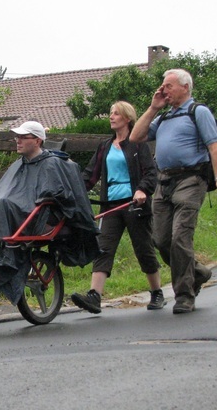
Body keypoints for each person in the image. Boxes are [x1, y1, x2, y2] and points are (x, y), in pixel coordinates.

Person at [130, 69, 217, 314]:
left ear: (185, 87)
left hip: (190, 179)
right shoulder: (164, 117)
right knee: (161, 240)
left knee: (180, 238)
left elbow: (214, 147)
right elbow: (135, 137)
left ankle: (184, 295)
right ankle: (198, 273)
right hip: (163, 182)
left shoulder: (198, 111)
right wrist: (154, 107)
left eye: (168, 85)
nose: (163, 89)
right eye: (163, 86)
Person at [0, 121, 100, 305]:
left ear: (37, 140)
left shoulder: (52, 164)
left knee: (4, 205)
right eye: (17, 137)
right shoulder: (18, 165)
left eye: (23, 137)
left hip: (41, 215)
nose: (17, 141)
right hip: (19, 209)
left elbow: (59, 195)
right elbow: (4, 191)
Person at [71, 101, 163, 314]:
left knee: (143, 249)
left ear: (127, 118)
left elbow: (151, 172)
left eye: (116, 114)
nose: (111, 117)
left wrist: (142, 190)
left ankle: (157, 292)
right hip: (111, 205)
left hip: (134, 205)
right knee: (103, 247)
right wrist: (75, 191)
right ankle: (94, 296)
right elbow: (90, 175)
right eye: (111, 113)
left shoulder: (138, 144)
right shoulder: (104, 146)